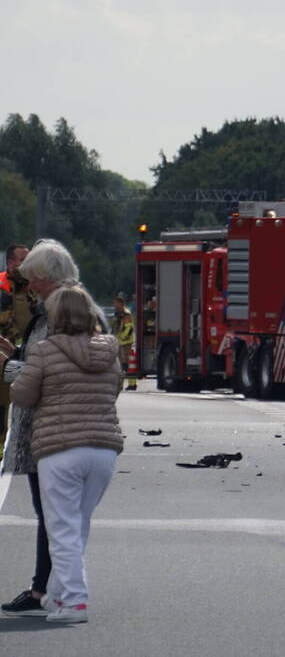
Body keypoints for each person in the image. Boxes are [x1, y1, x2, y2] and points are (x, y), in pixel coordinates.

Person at [0, 239, 105, 618]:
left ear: (47, 277)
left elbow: (43, 374)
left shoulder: (58, 315)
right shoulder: (84, 315)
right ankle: (55, 589)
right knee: (62, 517)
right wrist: (18, 356)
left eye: (33, 280)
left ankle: (51, 589)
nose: (30, 287)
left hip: (52, 429)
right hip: (83, 432)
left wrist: (12, 367)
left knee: (53, 515)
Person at [9, 285, 123, 623]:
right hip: (104, 448)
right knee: (78, 526)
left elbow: (23, 396)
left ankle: (74, 602)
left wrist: (14, 371)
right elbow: (115, 389)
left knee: (62, 529)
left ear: (56, 315)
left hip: (60, 448)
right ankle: (58, 595)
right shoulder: (110, 350)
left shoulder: (44, 350)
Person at [1, 244, 32, 444]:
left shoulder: (32, 288)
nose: (28, 264)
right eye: (23, 260)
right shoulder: (2, 286)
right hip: (4, 355)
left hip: (27, 355)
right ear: (11, 263)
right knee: (2, 403)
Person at [112, 294, 136, 390]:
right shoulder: (118, 314)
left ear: (121, 304)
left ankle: (132, 384)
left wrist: (123, 337)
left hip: (126, 342)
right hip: (119, 342)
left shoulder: (126, 314)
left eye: (116, 303)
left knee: (127, 364)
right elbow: (116, 327)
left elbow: (129, 328)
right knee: (120, 364)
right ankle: (121, 384)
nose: (114, 305)